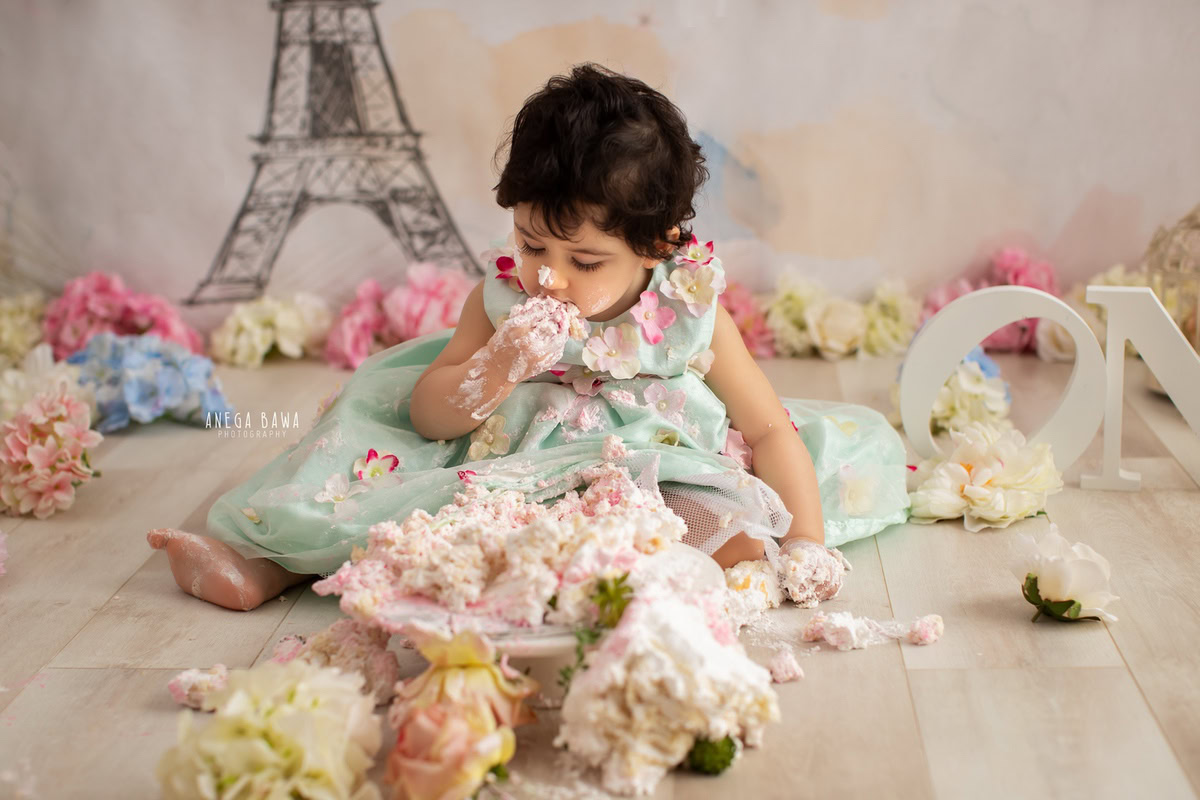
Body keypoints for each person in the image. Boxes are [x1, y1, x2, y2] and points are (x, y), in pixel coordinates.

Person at [149, 63, 908, 611]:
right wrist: (498, 364)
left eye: (583, 261)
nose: (548, 277)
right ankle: (268, 570)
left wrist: (807, 540)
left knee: (729, 528)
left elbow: (769, 426)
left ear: (660, 244)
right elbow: (432, 414)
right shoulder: (505, 297)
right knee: (378, 489)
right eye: (531, 244)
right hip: (504, 467)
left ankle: (608, 576)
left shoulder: (688, 311)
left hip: (640, 469)